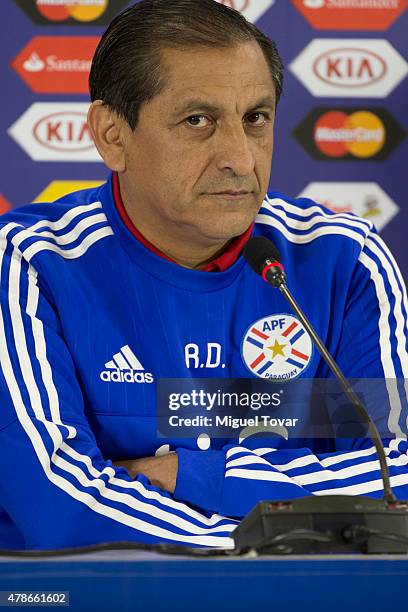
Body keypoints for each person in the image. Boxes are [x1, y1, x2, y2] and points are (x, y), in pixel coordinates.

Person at [0, 0, 407, 551]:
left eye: (255, 119)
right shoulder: (30, 262)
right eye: (198, 121)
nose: (240, 158)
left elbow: (395, 482)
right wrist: (261, 542)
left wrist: (191, 476)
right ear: (111, 135)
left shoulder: (343, 260)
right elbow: (60, 507)